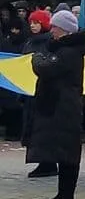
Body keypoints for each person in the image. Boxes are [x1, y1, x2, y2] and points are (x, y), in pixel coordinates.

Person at [26, 10, 85, 199]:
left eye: (55, 27)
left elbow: (46, 68)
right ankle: (62, 195)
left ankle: (66, 198)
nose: (51, 31)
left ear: (64, 30)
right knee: (61, 151)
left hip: (65, 105)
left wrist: (36, 60)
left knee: (67, 153)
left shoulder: (69, 51)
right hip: (57, 104)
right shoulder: (62, 48)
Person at [21, 10, 54, 178]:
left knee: (43, 128)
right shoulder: (30, 41)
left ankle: (48, 162)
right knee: (33, 128)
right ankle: (42, 161)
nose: (33, 26)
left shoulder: (49, 42)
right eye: (31, 23)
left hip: (42, 91)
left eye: (36, 23)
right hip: (29, 91)